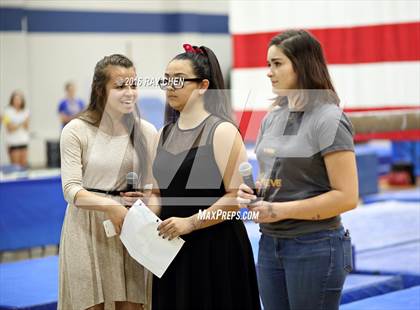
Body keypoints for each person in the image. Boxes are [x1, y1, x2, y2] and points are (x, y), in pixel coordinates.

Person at [237, 30, 359, 310]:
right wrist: (255, 191)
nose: (269, 72)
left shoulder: (329, 119)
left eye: (277, 64)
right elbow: (281, 180)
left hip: (314, 245)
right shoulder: (272, 118)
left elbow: (347, 196)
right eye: (268, 64)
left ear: (302, 65)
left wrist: (279, 210)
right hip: (270, 243)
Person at [152, 44, 261, 310]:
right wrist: (141, 211)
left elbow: (237, 197)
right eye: (165, 80)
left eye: (178, 80)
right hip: (171, 247)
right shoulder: (162, 134)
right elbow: (156, 192)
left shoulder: (222, 131)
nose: (169, 86)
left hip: (216, 248)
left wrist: (191, 222)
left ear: (202, 85)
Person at [58, 54, 157, 310]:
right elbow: (70, 190)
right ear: (100, 90)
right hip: (86, 228)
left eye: (133, 85)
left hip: (130, 228)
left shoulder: (146, 131)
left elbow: (153, 188)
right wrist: (110, 206)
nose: (129, 93)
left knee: (133, 305)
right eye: (120, 86)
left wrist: (146, 205)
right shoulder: (75, 130)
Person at [3, 90, 30, 167]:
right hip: (13, 143)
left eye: (19, 99)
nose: (17, 101)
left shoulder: (26, 111)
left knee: (24, 167)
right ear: (12, 100)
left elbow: (26, 126)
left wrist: (16, 124)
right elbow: (10, 128)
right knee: (15, 167)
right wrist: (21, 122)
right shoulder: (7, 112)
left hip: (23, 141)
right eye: (16, 99)